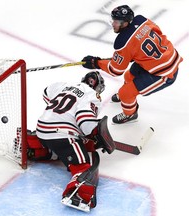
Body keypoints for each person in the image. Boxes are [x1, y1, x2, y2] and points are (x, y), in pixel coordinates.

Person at [26, 71, 115, 212]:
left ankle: (33, 147)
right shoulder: (92, 95)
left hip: (42, 128)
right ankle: (79, 192)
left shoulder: (65, 85)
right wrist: (96, 134)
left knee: (59, 149)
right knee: (85, 162)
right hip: (62, 134)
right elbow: (85, 121)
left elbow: (46, 93)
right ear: (98, 88)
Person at [81, 5, 183, 124]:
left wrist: (96, 63)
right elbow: (157, 33)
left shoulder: (123, 42)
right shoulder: (142, 20)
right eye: (113, 20)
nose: (113, 24)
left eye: (116, 22)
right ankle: (127, 98)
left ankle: (130, 114)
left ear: (125, 23)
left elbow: (115, 70)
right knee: (129, 76)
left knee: (125, 93)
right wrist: (134, 53)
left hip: (164, 73)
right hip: (164, 56)